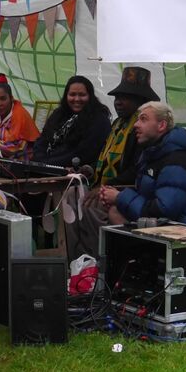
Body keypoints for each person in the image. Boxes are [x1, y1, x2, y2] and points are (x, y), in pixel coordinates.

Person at [67, 67, 159, 260]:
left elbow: (137, 170)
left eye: (125, 97)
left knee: (89, 207)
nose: (118, 101)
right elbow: (106, 157)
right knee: (69, 198)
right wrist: (90, 169)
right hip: (109, 187)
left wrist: (106, 186)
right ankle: (77, 259)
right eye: (117, 97)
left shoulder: (140, 130)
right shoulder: (118, 124)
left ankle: (100, 261)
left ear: (140, 101)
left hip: (127, 192)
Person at [99, 101, 186, 230]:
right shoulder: (154, 155)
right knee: (115, 211)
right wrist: (115, 195)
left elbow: (164, 211)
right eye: (137, 120)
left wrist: (119, 197)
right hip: (174, 228)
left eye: (143, 119)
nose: (135, 125)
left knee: (115, 211)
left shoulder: (177, 162)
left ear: (161, 125)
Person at [33, 75, 111, 168]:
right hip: (46, 165)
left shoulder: (99, 120)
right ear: (66, 95)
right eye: (72, 94)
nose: (77, 99)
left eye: (82, 95)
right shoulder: (59, 114)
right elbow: (42, 140)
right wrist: (40, 160)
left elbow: (83, 153)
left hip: (73, 170)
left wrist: (47, 163)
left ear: (90, 96)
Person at [0, 73, 39, 159]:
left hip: (19, 159)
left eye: (3, 99)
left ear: (11, 98)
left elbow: (17, 147)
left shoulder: (19, 114)